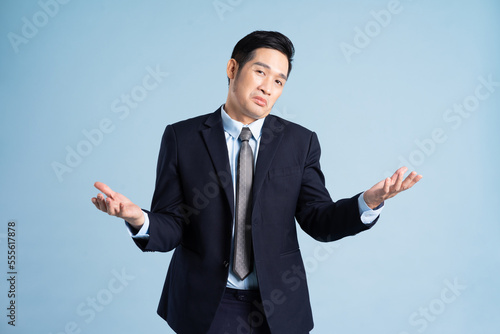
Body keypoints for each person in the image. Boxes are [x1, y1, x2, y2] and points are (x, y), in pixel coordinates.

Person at [91, 31, 422, 334]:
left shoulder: (299, 142)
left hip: (278, 307)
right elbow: (174, 224)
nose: (268, 87)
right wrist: (139, 219)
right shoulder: (182, 137)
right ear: (233, 68)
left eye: (279, 81)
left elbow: (318, 220)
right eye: (260, 72)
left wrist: (368, 201)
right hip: (205, 305)